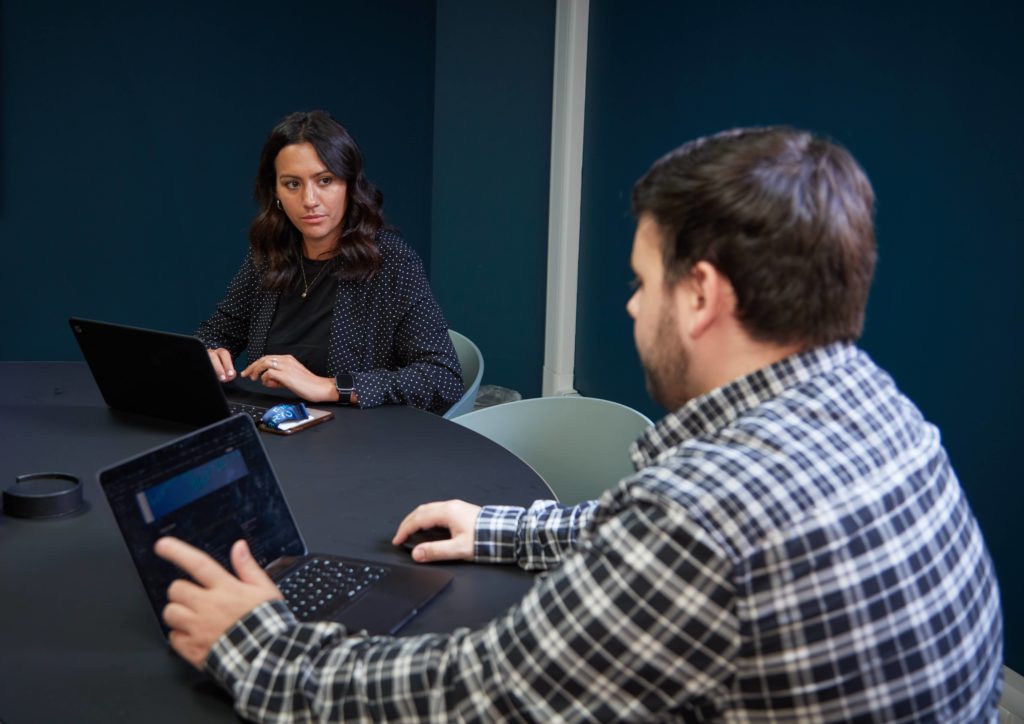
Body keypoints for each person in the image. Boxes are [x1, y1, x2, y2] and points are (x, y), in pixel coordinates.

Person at [156, 127, 1004, 721]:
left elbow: (475, 698)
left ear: (701, 295)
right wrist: (506, 528)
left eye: (640, 284)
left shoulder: (705, 514)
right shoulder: (882, 414)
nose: (632, 309)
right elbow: (677, 542)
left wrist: (258, 647)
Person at [195, 110, 462, 414]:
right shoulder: (269, 254)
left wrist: (329, 387)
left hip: (356, 439)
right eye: (292, 184)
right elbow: (216, 334)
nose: (309, 200)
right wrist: (208, 354)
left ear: (349, 185)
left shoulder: (390, 259)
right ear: (277, 193)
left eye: (325, 180)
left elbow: (443, 378)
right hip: (276, 426)